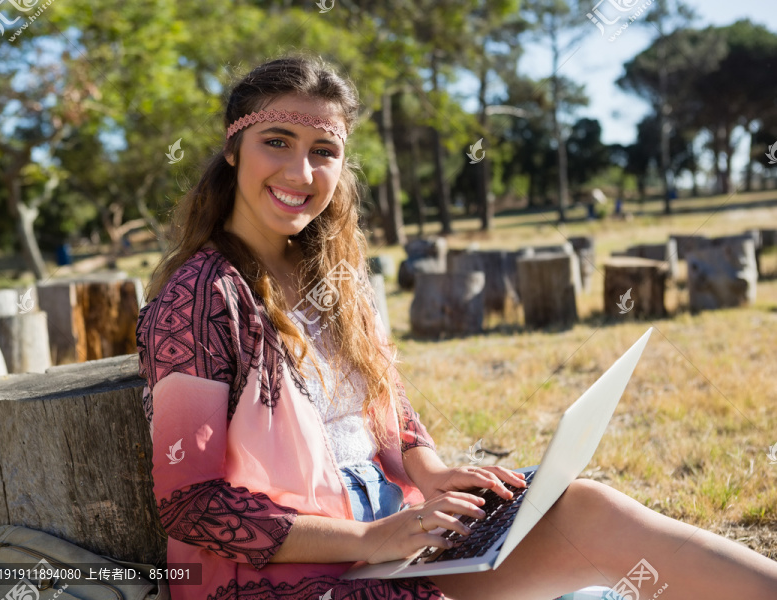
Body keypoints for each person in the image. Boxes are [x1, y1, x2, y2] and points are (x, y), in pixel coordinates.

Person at [135, 55, 777, 600]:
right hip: (292, 572)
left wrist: (432, 472)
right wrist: (370, 537)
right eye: (276, 141)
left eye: (323, 151)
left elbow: (386, 412)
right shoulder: (200, 299)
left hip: (391, 532)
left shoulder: (340, 277)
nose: (301, 174)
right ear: (231, 147)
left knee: (587, 508)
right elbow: (192, 506)